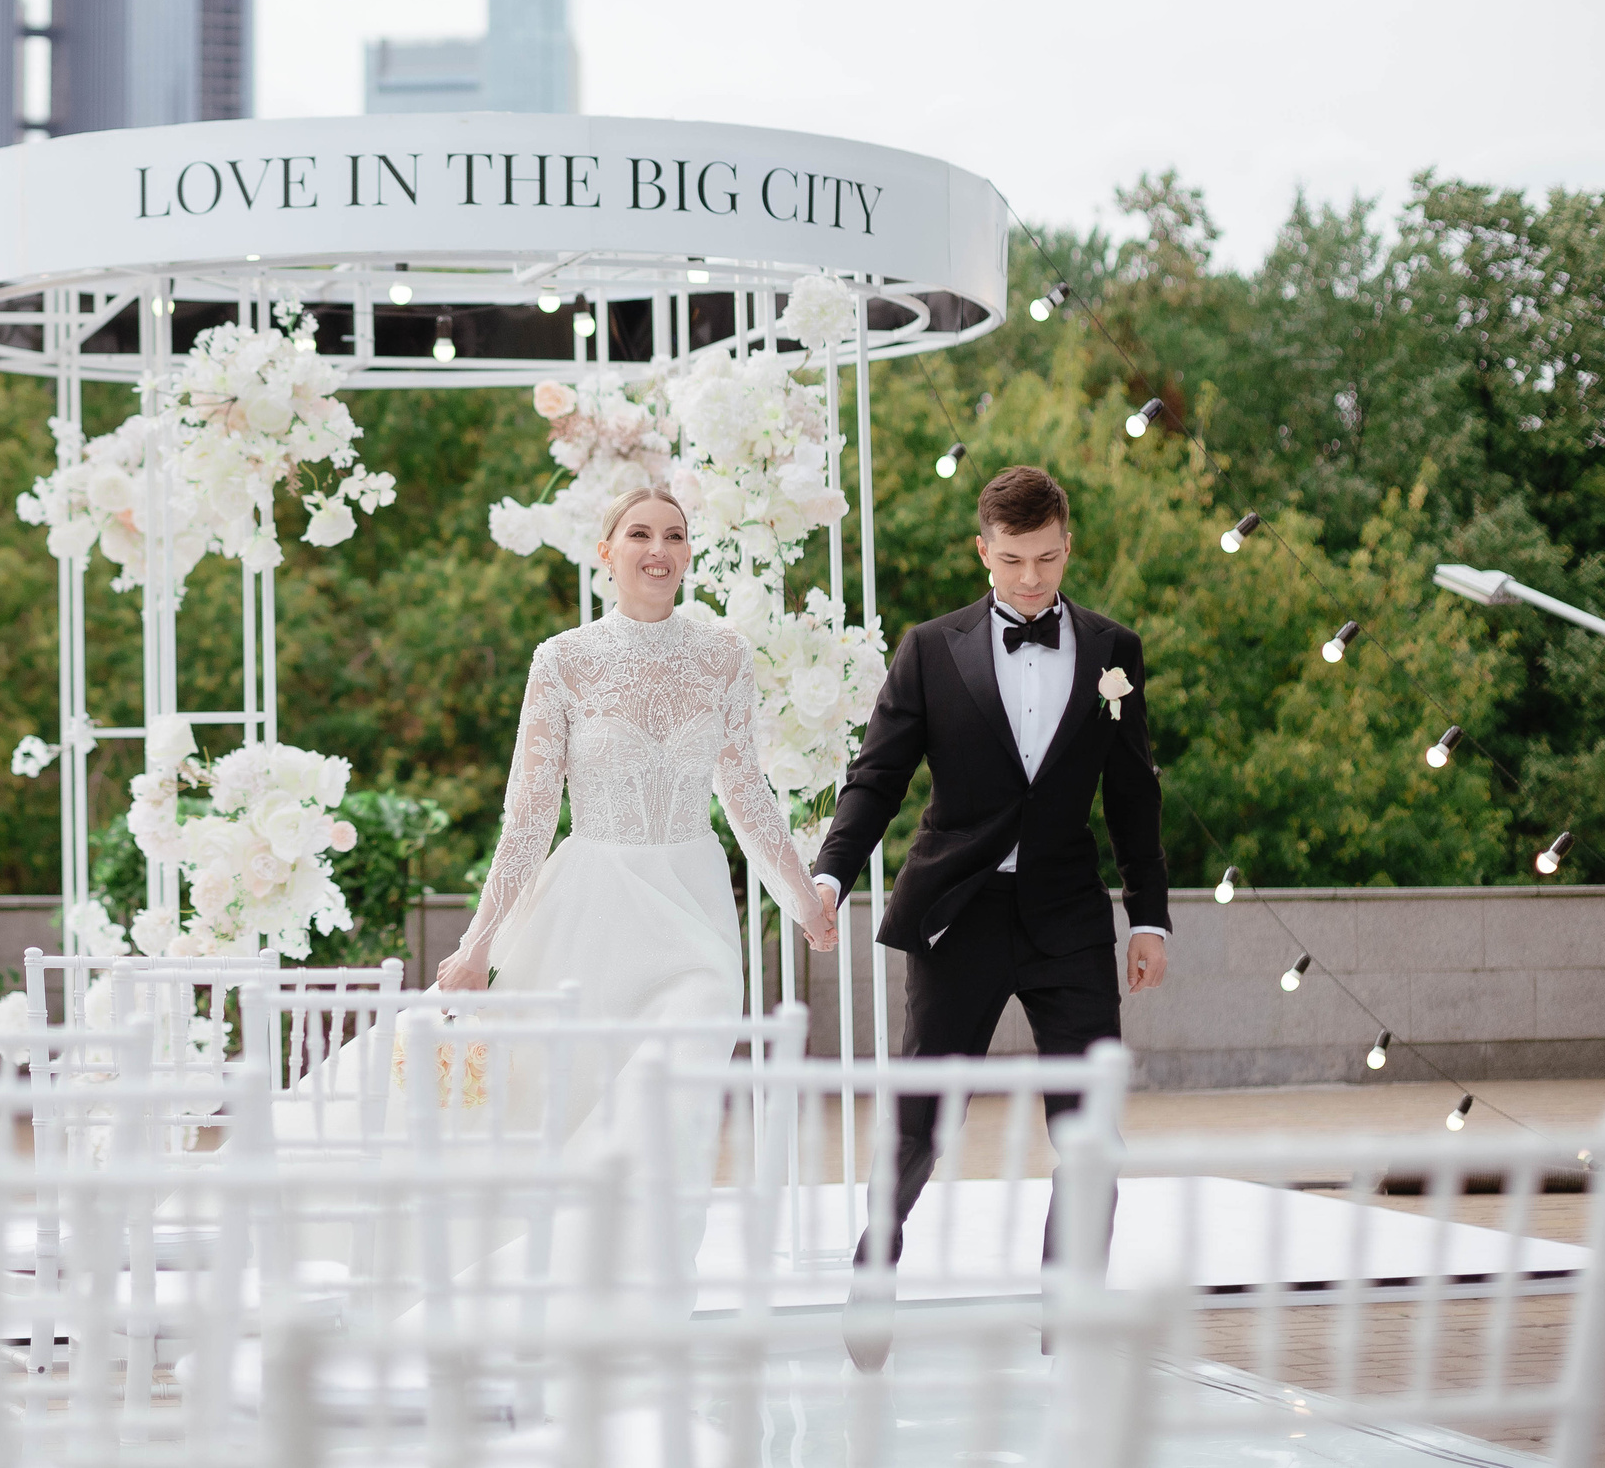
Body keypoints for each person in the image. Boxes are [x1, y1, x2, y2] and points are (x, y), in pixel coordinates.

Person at [809, 464, 1169, 1268]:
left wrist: (1148, 916)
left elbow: (1134, 794)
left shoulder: (1116, 651)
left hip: (1069, 919)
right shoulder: (931, 649)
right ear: (983, 551)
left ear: (1068, 547)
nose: (1031, 577)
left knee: (1091, 1129)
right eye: (1013, 560)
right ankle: (875, 1261)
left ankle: (1069, 1317)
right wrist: (829, 876)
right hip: (956, 912)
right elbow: (878, 777)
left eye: (1046, 557)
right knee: (922, 1119)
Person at [436, 487, 838, 1083]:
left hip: (693, 896)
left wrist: (804, 900)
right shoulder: (561, 661)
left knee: (693, 1042)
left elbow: (746, 792)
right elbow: (529, 818)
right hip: (594, 905)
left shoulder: (725, 655)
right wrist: (478, 947)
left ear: (688, 554)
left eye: (674, 536)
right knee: (588, 1087)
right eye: (640, 534)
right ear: (607, 552)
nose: (659, 549)